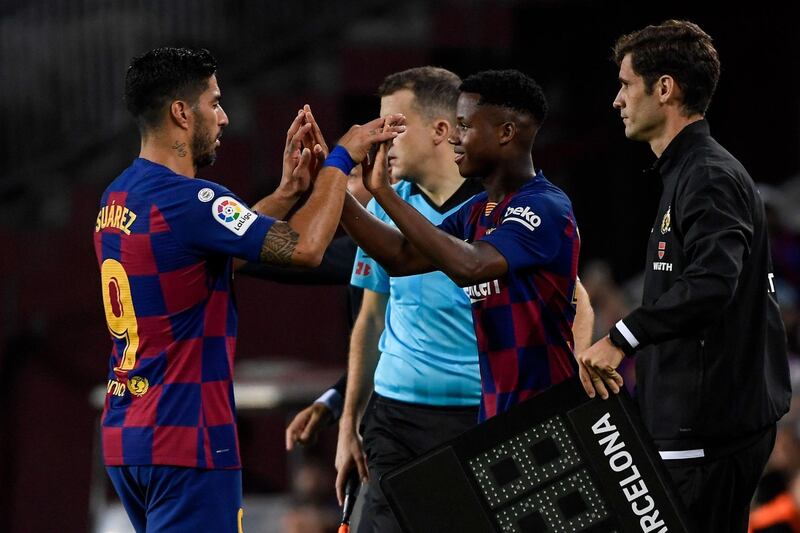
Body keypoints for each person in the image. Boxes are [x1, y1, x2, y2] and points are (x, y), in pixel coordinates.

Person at [93, 46, 404, 533]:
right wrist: (339, 160)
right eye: (213, 102)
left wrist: (285, 195)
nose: (224, 117)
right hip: (187, 440)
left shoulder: (118, 197)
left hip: (129, 435)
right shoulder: (193, 200)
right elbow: (306, 249)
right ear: (181, 112)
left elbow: (216, 254)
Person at [576, 20, 791, 533]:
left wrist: (622, 337)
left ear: (665, 88)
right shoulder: (689, 172)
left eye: (626, 84)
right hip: (698, 423)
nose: (617, 100)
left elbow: (714, 284)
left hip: (707, 428)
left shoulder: (709, 175)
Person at [338, 67, 586, 449]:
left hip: (544, 418)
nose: (454, 137)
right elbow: (403, 258)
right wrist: (340, 191)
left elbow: (471, 265)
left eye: (465, 125)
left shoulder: (545, 206)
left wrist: (384, 196)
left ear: (506, 133)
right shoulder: (477, 211)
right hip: (494, 418)